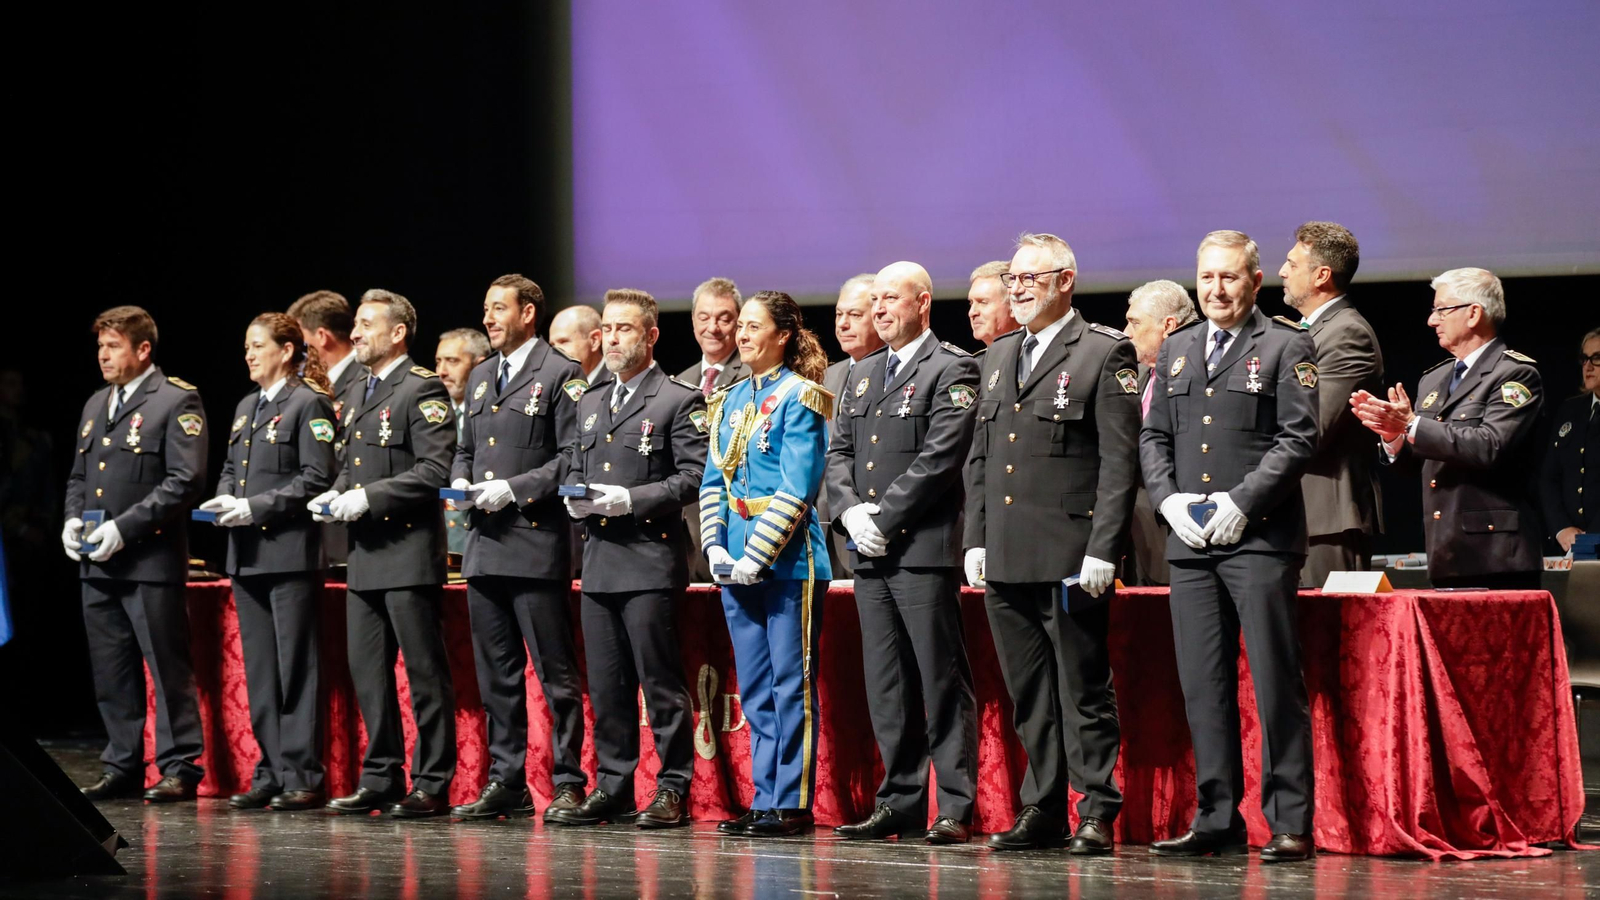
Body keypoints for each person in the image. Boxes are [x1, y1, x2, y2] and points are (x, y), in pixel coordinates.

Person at [1141, 230, 1318, 863]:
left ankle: (1290, 821)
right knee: (1203, 686)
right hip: (1191, 543)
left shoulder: (1287, 344)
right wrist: (1168, 501)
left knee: (1274, 682)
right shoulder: (1178, 347)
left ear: (1255, 281)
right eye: (1207, 278)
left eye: (1229, 277)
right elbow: (1153, 436)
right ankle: (1217, 818)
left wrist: (1241, 503)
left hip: (1260, 540)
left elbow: (1298, 439)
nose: (1216, 290)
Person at [963, 233, 1139, 853]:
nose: (1017, 289)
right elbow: (981, 457)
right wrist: (976, 538)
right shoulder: (997, 354)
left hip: (1069, 553)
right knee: (1030, 693)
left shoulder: (1103, 353)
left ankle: (1096, 809)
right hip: (1007, 553)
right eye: (1012, 279)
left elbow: (1119, 463)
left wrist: (1103, 548)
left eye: (1029, 279)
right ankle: (1042, 807)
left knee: (1082, 687)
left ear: (1065, 281)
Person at [825, 262, 980, 845]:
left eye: (891, 298)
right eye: (875, 301)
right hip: (869, 552)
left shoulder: (952, 367)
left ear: (922, 303)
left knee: (940, 680)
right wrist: (850, 513)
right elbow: (838, 454)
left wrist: (883, 519)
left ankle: (955, 805)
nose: (880, 309)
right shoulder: (863, 372)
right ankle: (900, 800)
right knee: (887, 683)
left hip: (920, 550)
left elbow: (940, 459)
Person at [553, 288, 705, 829]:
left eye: (625, 329)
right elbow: (574, 465)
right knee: (607, 687)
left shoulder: (677, 398)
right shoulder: (591, 399)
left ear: (651, 335)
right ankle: (614, 785)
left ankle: (672, 788)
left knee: (660, 684)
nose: (612, 339)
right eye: (608, 329)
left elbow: (694, 476)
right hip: (599, 562)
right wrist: (574, 498)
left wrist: (632, 500)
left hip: (648, 560)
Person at [446, 275, 590, 822]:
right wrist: (461, 479)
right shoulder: (483, 375)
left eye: (499, 308)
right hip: (484, 545)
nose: (488, 318)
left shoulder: (561, 372)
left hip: (533, 543)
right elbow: (465, 448)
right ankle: (506, 780)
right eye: (486, 308)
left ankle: (569, 781)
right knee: (497, 676)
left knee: (556, 676)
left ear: (528, 313)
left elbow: (571, 457)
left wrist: (515, 488)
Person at [308, 289, 457, 818]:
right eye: (356, 323)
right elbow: (352, 464)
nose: (355, 333)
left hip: (408, 553)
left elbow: (435, 469)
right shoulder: (358, 390)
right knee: (368, 672)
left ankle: (432, 781)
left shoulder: (422, 387)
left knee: (424, 675)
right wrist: (335, 493)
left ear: (397, 333)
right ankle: (381, 775)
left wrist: (368, 497)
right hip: (365, 553)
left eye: (367, 324)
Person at [700, 290, 833, 837]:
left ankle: (793, 803)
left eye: (754, 326)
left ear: (783, 335)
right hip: (735, 558)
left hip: (788, 562)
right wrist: (716, 547)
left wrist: (757, 555)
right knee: (754, 685)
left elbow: (798, 488)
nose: (743, 335)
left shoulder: (802, 396)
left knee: (790, 684)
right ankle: (764, 797)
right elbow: (714, 481)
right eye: (742, 326)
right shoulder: (730, 399)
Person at [64, 306, 207, 802]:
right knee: (112, 670)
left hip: (149, 562)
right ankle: (122, 763)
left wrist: (124, 529)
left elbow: (185, 480)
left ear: (143, 349)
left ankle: (180, 766)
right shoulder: (95, 403)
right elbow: (80, 476)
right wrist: (72, 520)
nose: (103, 355)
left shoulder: (175, 399)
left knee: (166, 667)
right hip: (98, 561)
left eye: (114, 346)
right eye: (100, 346)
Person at [199, 312, 337, 811]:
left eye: (257, 345)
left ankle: (302, 774)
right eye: (246, 346)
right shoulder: (246, 406)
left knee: (295, 667)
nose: (249, 354)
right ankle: (270, 770)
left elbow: (316, 477)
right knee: (260, 669)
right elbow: (231, 467)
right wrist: (225, 497)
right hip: (246, 555)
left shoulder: (308, 402)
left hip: (290, 554)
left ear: (286, 350)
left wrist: (254, 506)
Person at [1353, 268, 1545, 589]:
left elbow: (1489, 446)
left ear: (1473, 313)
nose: (1432, 320)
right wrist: (1394, 436)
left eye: (1442, 310)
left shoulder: (1515, 374)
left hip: (1497, 557)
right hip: (1446, 551)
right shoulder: (1434, 379)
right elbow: (1420, 463)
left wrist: (1410, 423)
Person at [1280, 222, 1385, 586]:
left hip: (1327, 519)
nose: (1283, 272)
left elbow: (1312, 426)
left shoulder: (1347, 333)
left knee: (1330, 622)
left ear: (1321, 275)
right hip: (1297, 516)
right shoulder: (1307, 331)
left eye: (1292, 264)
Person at [1121, 279, 1198, 586]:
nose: (1126, 332)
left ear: (1168, 325)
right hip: (1137, 534)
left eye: (1135, 322)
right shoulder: (1138, 373)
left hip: (1180, 526)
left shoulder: (1199, 371)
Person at [680, 278, 749, 582]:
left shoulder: (752, 375)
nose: (713, 328)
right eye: (704, 317)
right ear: (693, 321)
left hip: (733, 515)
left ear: (739, 322)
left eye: (724, 318)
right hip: (686, 521)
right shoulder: (679, 382)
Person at [820, 273, 884, 577]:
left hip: (871, 529)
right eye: (839, 314)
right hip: (824, 533)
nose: (843, 324)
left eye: (855, 315)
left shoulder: (896, 374)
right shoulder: (826, 377)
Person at [1541, 329, 1600, 553]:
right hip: (1567, 546)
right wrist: (1561, 528)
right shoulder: (1570, 410)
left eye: (1597, 358)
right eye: (1584, 358)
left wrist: (1591, 540)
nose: (1588, 366)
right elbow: (1549, 478)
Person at [435, 328, 490, 556]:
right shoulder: (431, 416)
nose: (441, 372)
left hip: (478, 539)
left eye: (452, 361)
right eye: (438, 362)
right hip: (437, 544)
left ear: (479, 365)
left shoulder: (491, 414)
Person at [288, 290, 365, 419]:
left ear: (321, 336)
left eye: (300, 339)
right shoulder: (307, 383)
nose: (297, 348)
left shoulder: (366, 378)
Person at [967, 260, 1021, 349]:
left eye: (983, 302)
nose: (972, 313)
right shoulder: (978, 359)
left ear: (1013, 305)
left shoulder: (1035, 355)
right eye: (971, 303)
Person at [549, 305, 606, 386]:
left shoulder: (618, 383)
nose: (555, 352)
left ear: (594, 340)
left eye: (563, 342)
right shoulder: (553, 385)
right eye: (552, 345)